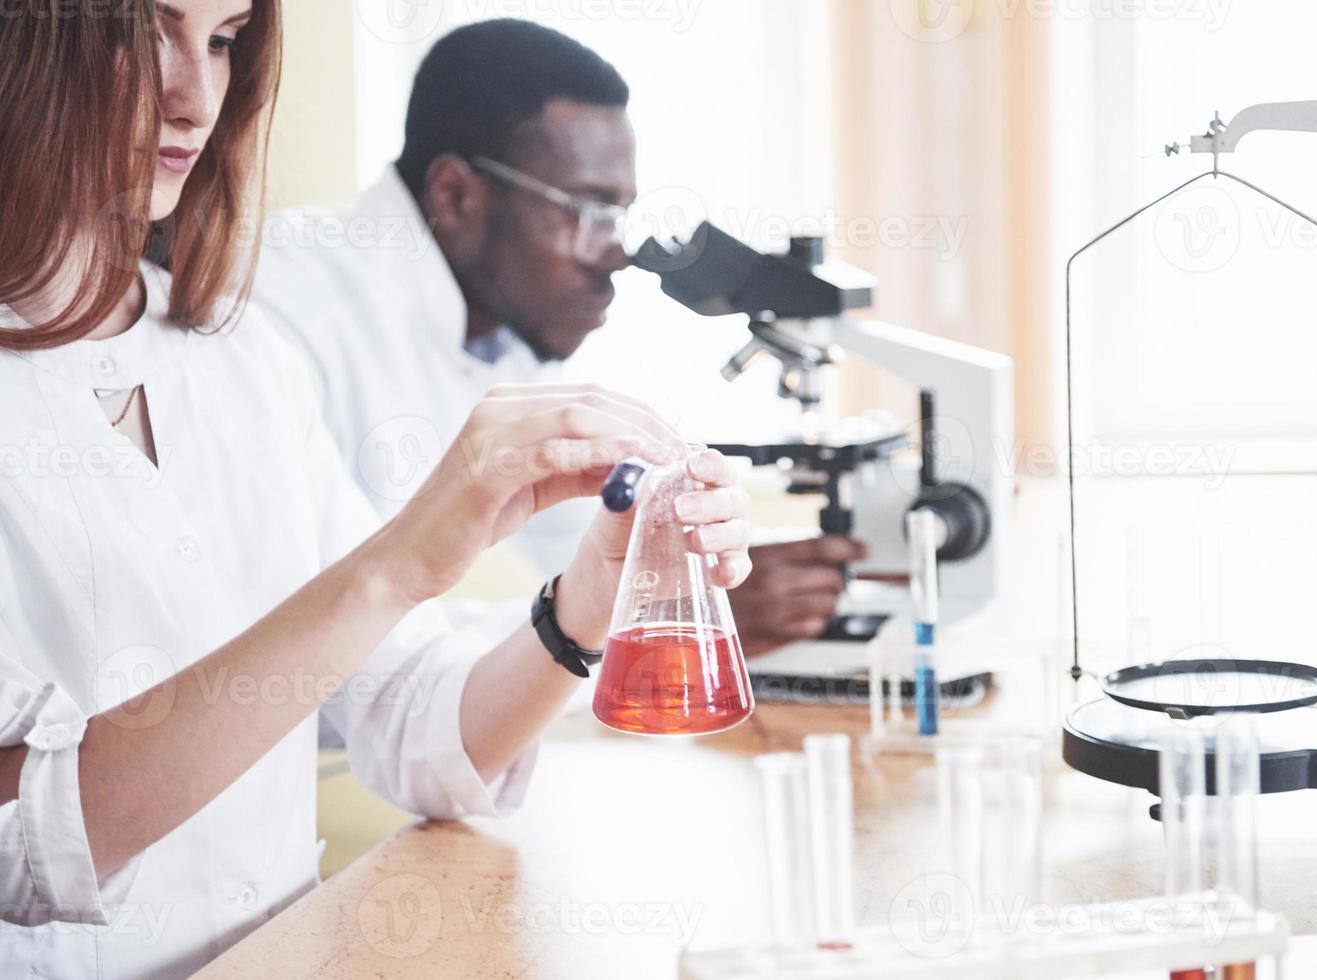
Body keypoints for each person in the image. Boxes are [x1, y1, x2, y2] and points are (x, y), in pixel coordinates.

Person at [0, 2, 750, 976]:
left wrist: (589, 598)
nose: (195, 98)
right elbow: (26, 837)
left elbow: (410, 719)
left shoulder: (238, 355)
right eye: (141, 36)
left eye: (223, 41)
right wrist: (391, 567)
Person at [254, 18, 865, 658]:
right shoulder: (284, 317)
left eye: (622, 213)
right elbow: (319, 654)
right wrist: (666, 616)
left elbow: (594, 546)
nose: (619, 255)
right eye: (590, 210)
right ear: (456, 194)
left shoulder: (493, 330)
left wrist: (716, 572)